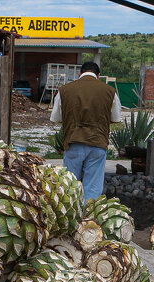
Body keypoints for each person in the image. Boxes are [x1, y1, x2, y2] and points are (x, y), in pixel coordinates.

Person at [50, 62, 122, 201]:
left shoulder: (64, 90)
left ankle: (71, 217)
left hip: (73, 142)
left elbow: (56, 118)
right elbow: (115, 118)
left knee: (71, 185)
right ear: (98, 75)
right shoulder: (109, 91)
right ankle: (89, 218)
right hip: (98, 142)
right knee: (93, 187)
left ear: (79, 73)